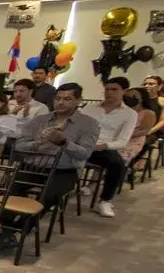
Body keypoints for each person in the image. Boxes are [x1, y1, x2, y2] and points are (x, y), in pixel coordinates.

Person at [15, 83, 98, 212]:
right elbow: (19, 146)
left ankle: (24, 223)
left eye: (67, 99)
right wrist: (37, 143)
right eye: (58, 98)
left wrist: (64, 142)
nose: (60, 103)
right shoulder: (40, 120)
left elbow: (85, 154)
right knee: (10, 188)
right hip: (33, 166)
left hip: (64, 170)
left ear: (78, 101)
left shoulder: (89, 123)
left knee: (46, 197)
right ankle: (7, 222)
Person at [80, 76, 137, 218]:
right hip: (82, 144)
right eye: (107, 89)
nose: (109, 92)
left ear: (124, 91)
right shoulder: (90, 108)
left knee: (117, 164)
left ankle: (105, 200)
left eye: (114, 89)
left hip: (103, 148)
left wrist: (102, 146)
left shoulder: (130, 114)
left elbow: (123, 141)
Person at [121, 88, 155, 165]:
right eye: (127, 96)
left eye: (134, 96)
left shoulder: (148, 113)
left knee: (118, 158)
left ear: (142, 98)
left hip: (134, 140)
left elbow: (145, 131)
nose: (130, 98)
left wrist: (126, 135)